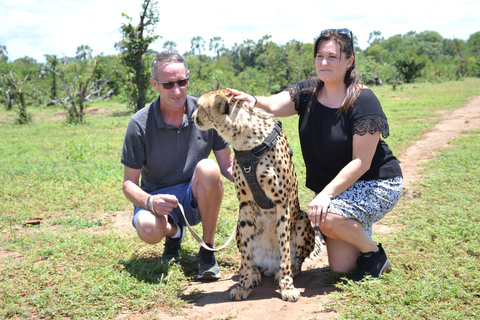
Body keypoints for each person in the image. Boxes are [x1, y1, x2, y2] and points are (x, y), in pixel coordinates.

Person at [228, 29, 403, 281]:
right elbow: (276, 104)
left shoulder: (363, 100)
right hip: (340, 190)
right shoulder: (309, 92)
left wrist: (325, 195)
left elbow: (361, 163)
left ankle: (375, 255)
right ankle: (352, 223)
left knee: (326, 217)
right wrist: (254, 100)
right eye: (319, 56)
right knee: (341, 268)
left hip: (375, 183)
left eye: (332, 57)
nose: (324, 62)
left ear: (349, 61)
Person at [122, 50, 234, 281]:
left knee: (208, 167)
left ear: (188, 78)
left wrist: (254, 180)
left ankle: (207, 249)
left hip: (194, 194)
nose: (176, 90)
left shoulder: (208, 113)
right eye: (168, 84)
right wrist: (150, 201)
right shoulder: (139, 124)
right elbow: (128, 184)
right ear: (154, 84)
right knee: (148, 229)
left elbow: (227, 165)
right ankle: (175, 234)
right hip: (157, 198)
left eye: (182, 82)